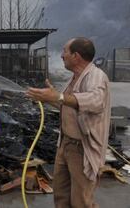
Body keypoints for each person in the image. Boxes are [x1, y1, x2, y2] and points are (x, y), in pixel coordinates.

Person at [26, 37, 110, 208]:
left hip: (82, 148)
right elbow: (67, 103)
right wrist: (47, 98)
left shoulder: (96, 76)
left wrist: (59, 96)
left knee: (80, 201)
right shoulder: (74, 78)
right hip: (65, 145)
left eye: (65, 52)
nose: (62, 56)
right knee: (61, 195)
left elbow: (96, 101)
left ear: (76, 56)